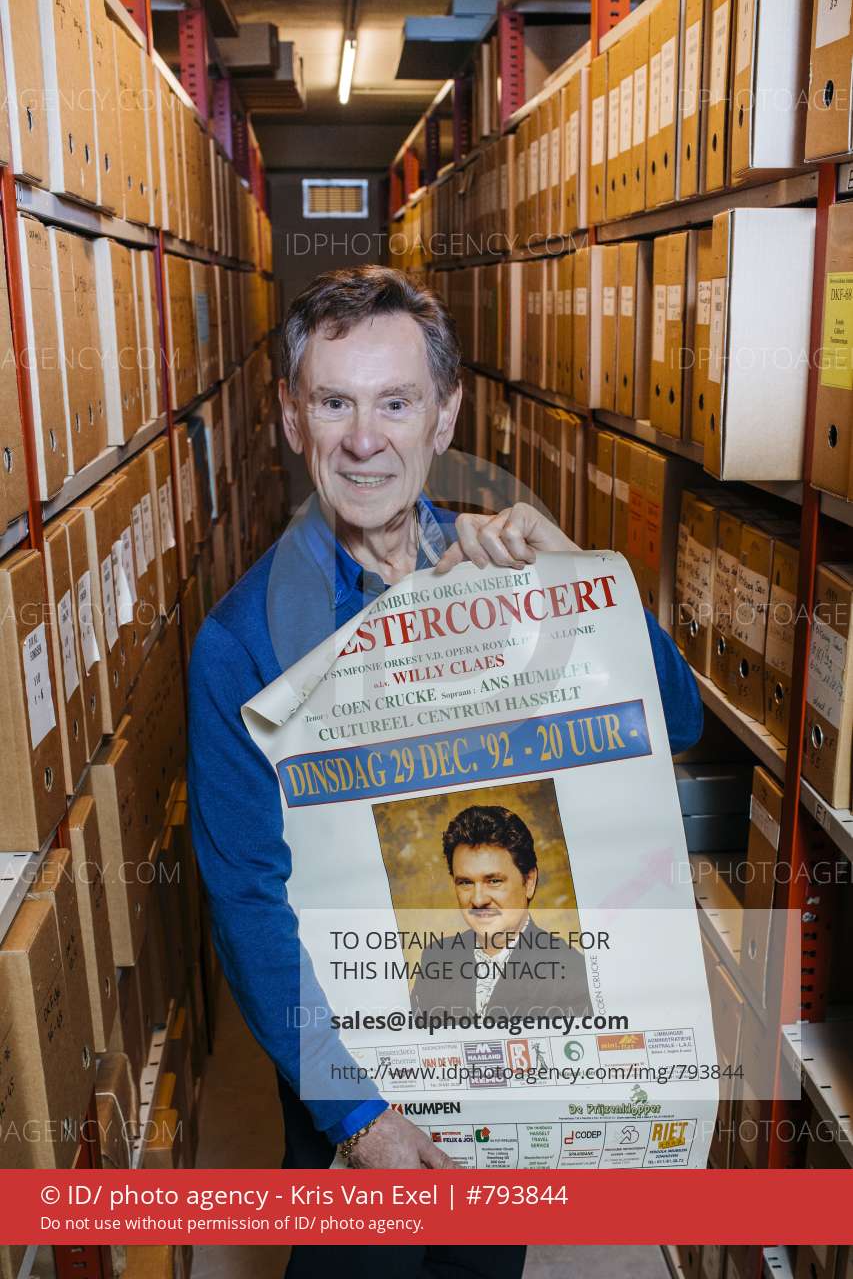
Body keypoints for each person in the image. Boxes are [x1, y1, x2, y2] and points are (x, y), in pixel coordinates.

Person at [187, 265, 703, 1279]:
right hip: (352, 1088)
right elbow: (246, 901)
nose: (364, 439)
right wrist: (359, 1115)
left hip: (501, 1072)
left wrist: (582, 580)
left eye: (395, 402)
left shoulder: (503, 577)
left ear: (445, 414)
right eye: (333, 403)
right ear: (291, 418)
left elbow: (673, 722)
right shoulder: (241, 643)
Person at [411, 804, 592, 1020]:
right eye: (465, 882)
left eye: (494, 881)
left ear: (529, 881)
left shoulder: (571, 972)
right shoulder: (436, 958)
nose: (478, 900)